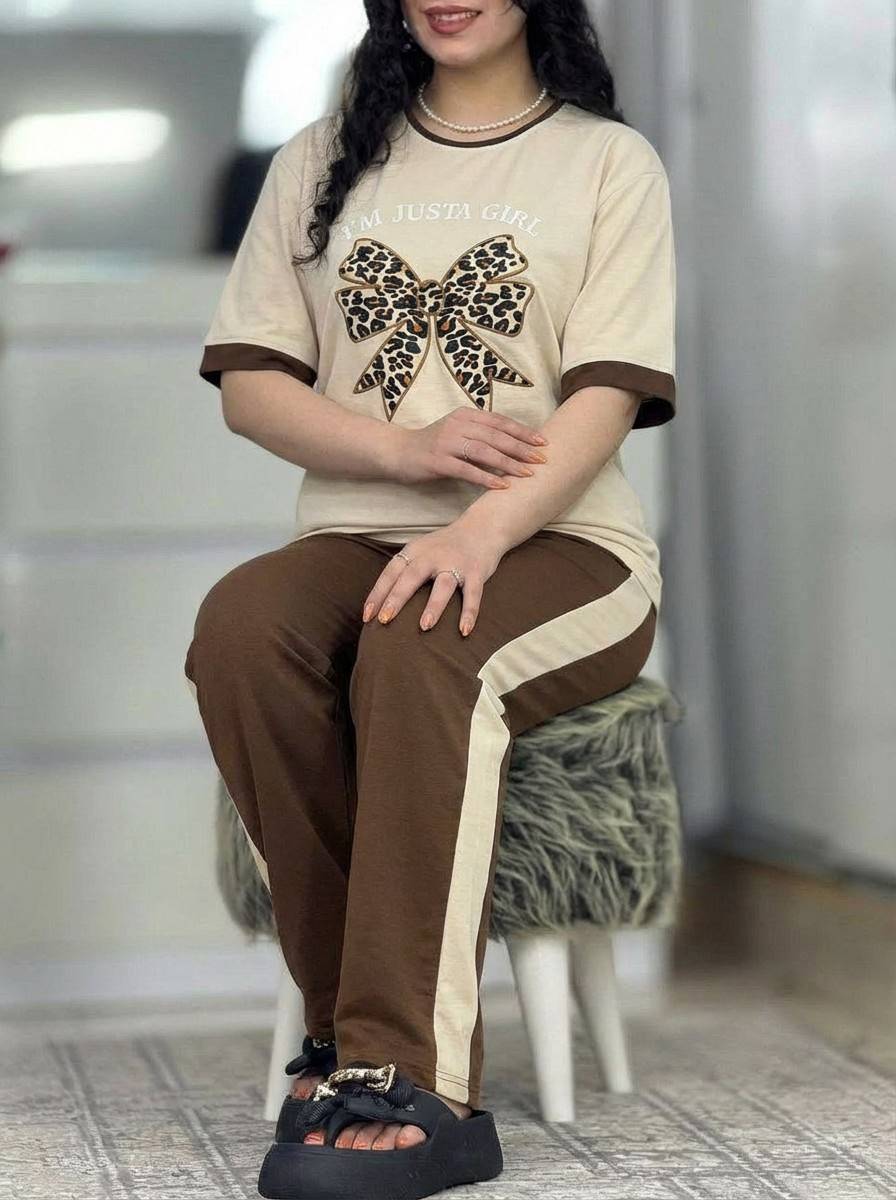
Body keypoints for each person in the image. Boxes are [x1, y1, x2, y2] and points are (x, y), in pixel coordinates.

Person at [184, 1, 677, 1195]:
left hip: (566, 547)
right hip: (359, 532)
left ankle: (416, 1082)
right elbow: (251, 385)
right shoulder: (320, 157)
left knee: (421, 640)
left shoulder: (605, 162)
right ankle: (348, 1036)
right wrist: (405, 453)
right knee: (242, 628)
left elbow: (605, 396)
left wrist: (481, 530)